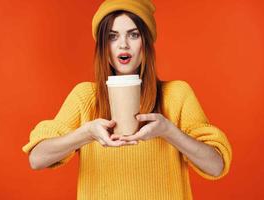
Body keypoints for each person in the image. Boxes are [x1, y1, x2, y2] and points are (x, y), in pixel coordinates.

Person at [22, 0, 232, 199]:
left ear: (146, 42)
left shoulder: (177, 94)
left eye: (133, 35)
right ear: (104, 47)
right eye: (113, 36)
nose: (123, 45)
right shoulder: (85, 96)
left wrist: (169, 132)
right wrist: (86, 134)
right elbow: (37, 158)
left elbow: (216, 166)